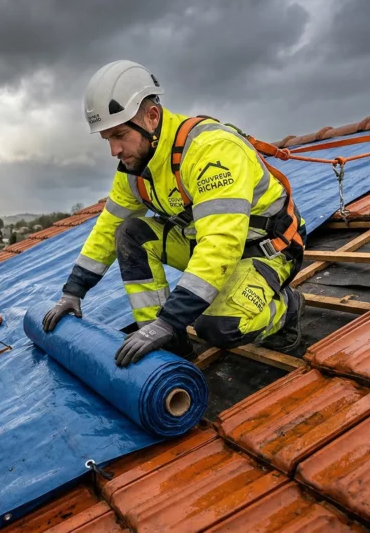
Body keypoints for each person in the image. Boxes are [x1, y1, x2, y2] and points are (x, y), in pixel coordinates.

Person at [43, 60, 306, 367]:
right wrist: (73, 292)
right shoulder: (134, 169)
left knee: (219, 326)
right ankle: (170, 345)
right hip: (204, 245)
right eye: (107, 140)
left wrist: (171, 318)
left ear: (152, 117)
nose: (113, 150)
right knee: (130, 233)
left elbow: (221, 244)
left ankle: (288, 307)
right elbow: (107, 227)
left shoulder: (212, 151)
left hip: (266, 250)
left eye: (119, 135)